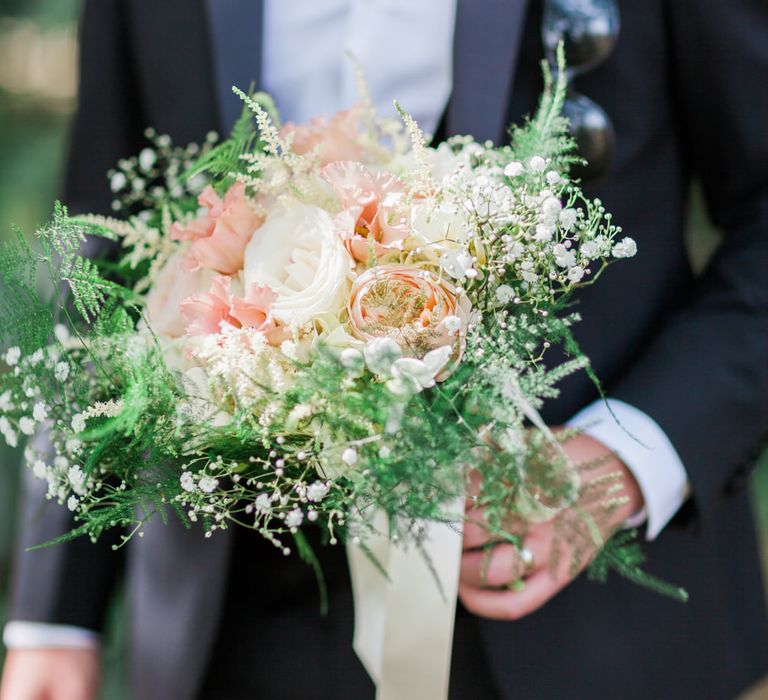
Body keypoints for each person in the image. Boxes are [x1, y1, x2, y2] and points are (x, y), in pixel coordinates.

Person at [2, 1, 768, 698]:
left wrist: (626, 460)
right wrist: (53, 616)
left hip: (562, 620)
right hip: (232, 614)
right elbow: (99, 242)